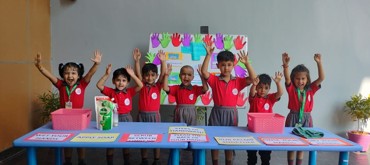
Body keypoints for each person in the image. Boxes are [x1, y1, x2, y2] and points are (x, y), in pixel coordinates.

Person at [34, 50, 102, 165]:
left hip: (79, 118)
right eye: (66, 73)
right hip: (64, 118)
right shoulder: (60, 85)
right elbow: (49, 76)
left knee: (80, 141)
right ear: (62, 75)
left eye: (73, 73)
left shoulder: (82, 84)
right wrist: (40, 67)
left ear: (79, 75)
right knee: (67, 141)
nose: (70, 75)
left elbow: (90, 73)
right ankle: (68, 161)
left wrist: (96, 64)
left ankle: (82, 161)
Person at [201, 41, 257, 165]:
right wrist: (208, 55)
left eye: (229, 64)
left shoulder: (237, 81)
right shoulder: (215, 80)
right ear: (218, 65)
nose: (226, 68)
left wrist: (247, 63)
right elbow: (204, 72)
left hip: (231, 113)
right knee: (214, 138)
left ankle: (228, 162)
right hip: (216, 112)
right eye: (223, 65)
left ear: (233, 65)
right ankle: (215, 162)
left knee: (229, 140)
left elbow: (254, 79)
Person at [282, 52, 324, 165]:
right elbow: (286, 78)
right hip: (293, 117)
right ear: (293, 79)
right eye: (297, 78)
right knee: (291, 144)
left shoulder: (311, 89)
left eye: (303, 78)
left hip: (307, 118)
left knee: (303, 143)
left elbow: (321, 78)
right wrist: (285, 65)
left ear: (307, 79)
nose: (300, 81)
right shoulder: (291, 89)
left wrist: (319, 63)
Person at [96, 64, 143, 165]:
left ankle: (127, 162)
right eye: (118, 80)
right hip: (112, 118)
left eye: (124, 80)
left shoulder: (130, 92)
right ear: (113, 81)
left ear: (127, 82)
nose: (121, 83)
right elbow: (99, 85)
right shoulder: (111, 92)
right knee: (111, 142)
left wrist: (133, 75)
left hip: (127, 118)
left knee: (125, 142)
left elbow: (140, 85)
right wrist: (106, 74)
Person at [133, 48, 166, 165]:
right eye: (147, 75)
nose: (150, 78)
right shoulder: (141, 85)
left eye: (153, 75)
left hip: (154, 116)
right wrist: (137, 61)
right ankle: (144, 159)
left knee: (156, 137)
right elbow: (137, 74)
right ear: (143, 76)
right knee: (143, 138)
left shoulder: (158, 86)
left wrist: (163, 61)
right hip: (142, 115)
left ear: (156, 76)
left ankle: (156, 159)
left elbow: (163, 73)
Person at [247, 72, 283, 165]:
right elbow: (251, 92)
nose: (263, 90)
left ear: (269, 89)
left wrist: (278, 83)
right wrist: (253, 85)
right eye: (260, 87)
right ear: (256, 88)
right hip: (252, 129)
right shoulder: (253, 97)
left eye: (266, 88)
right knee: (251, 156)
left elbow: (280, 93)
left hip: (266, 130)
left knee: (265, 156)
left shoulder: (270, 98)